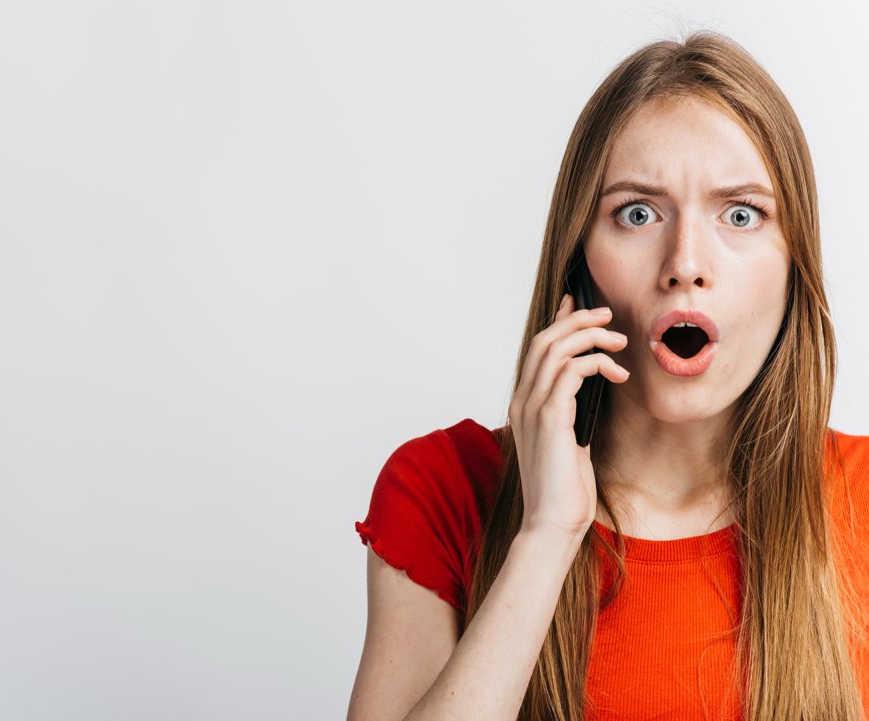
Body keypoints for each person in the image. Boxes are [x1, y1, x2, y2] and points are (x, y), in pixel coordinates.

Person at [347, 30, 869, 721]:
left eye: (741, 214)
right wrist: (546, 535)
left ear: (794, 263)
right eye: (638, 212)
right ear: (578, 261)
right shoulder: (441, 491)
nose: (685, 261)